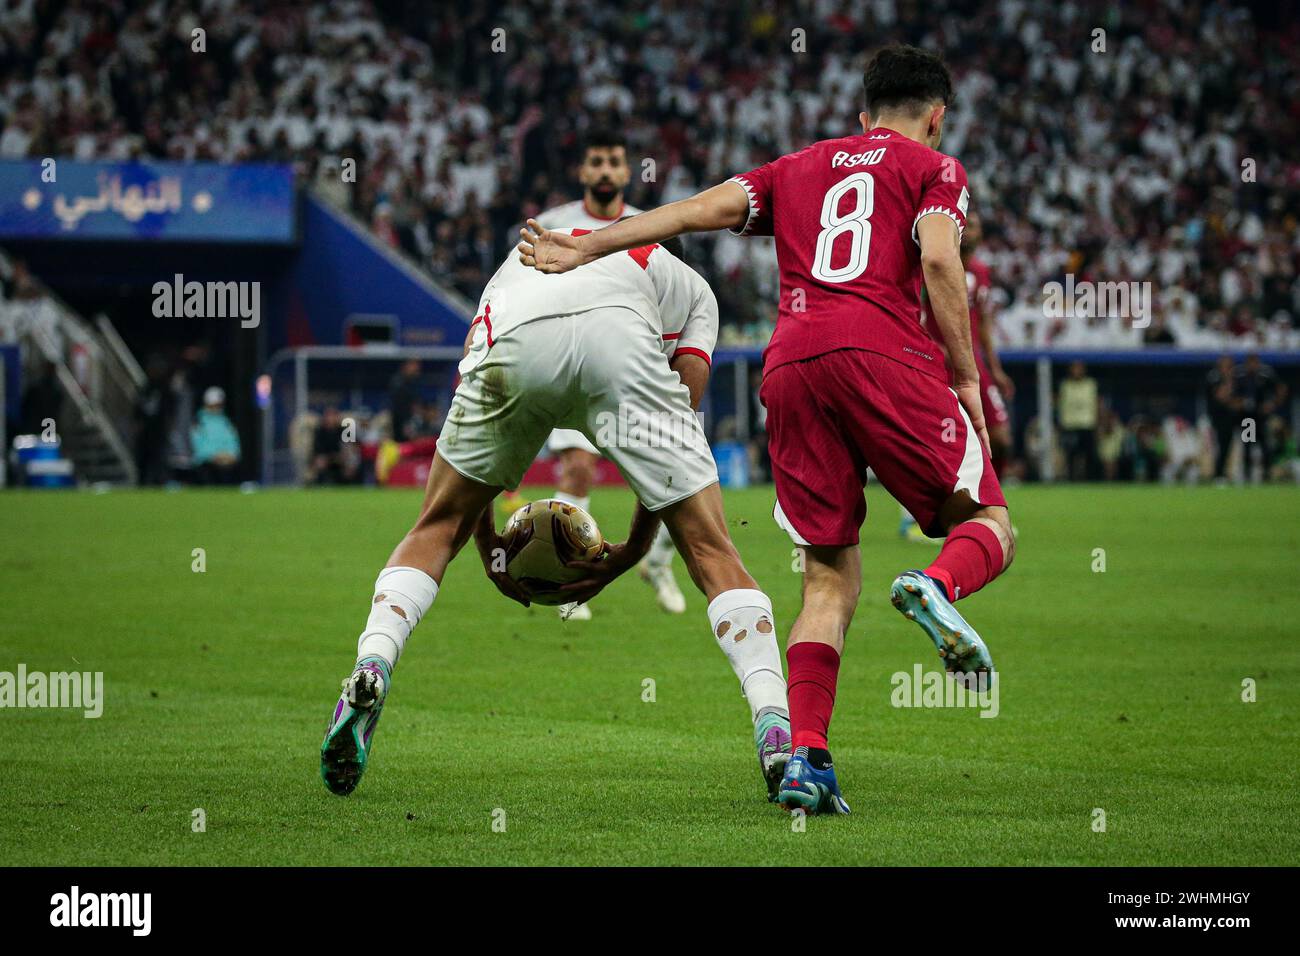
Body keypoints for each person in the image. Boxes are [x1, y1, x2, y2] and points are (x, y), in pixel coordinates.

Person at [519, 44, 1015, 816]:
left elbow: (687, 213)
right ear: (937, 117)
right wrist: (967, 378)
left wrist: (581, 245)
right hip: (882, 352)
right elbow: (943, 262)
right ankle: (936, 581)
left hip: (789, 364)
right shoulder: (931, 167)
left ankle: (808, 762)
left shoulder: (797, 166)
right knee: (989, 522)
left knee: (827, 576)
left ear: (862, 113)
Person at [319, 233, 793, 802]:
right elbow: (683, 416)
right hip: (620, 346)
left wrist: (489, 543)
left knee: (434, 527)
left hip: (521, 336)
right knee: (715, 552)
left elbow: (477, 362)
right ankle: (774, 727)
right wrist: (636, 549)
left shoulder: (523, 253)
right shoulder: (693, 291)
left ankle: (372, 664)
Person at [528, 128, 687, 622]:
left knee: (670, 475)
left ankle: (657, 562)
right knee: (578, 467)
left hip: (636, 371)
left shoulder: (651, 226)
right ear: (582, 171)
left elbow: (675, 298)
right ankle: (565, 577)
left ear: (626, 171)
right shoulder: (552, 224)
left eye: (614, 162)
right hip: (569, 368)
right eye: (595, 161)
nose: (604, 170)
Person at [1234, 353, 1287, 482]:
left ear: (1258, 363)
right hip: (1247, 418)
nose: (1252, 366)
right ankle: (1247, 474)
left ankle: (1267, 473)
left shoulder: (1266, 373)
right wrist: (1238, 402)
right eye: (1250, 363)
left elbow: (1281, 388)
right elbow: (1232, 393)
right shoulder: (1240, 375)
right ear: (1246, 364)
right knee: (1248, 444)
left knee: (1265, 444)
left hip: (1261, 416)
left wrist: (1273, 403)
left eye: (1254, 363)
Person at [190, 386, 241, 484]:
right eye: (214, 405)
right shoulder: (199, 422)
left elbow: (234, 445)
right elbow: (198, 449)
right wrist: (214, 456)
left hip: (226, 464)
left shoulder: (226, 423)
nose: (217, 408)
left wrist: (230, 455)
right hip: (206, 466)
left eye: (219, 405)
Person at [1058, 361, 1099, 481]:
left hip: (1087, 425)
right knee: (1071, 455)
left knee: (1089, 455)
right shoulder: (1065, 385)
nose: (1077, 371)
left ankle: (1089, 480)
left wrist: (1097, 424)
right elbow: (1062, 405)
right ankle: (1071, 480)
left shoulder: (1090, 384)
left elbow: (1095, 404)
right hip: (1070, 425)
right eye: (1074, 368)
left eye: (1079, 368)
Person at [1206, 354, 1239, 483]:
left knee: (1249, 440)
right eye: (1226, 365)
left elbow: (1243, 397)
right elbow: (1222, 396)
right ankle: (1218, 474)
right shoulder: (1214, 377)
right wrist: (1228, 379)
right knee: (1221, 444)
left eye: (1230, 365)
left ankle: (1248, 471)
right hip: (1219, 418)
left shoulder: (1239, 377)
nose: (1229, 368)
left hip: (1246, 417)